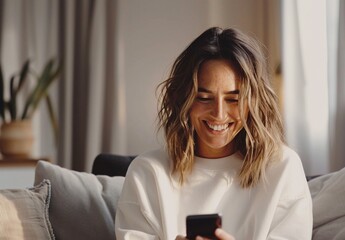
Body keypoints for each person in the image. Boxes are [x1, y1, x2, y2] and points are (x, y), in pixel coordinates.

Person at [115, 27, 313, 240]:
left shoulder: (283, 168)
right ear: (184, 100)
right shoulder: (147, 173)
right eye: (204, 98)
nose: (219, 114)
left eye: (233, 99)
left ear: (254, 103)